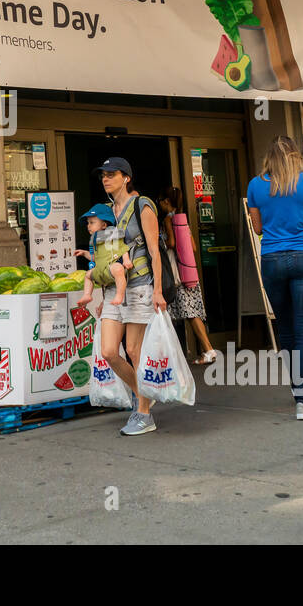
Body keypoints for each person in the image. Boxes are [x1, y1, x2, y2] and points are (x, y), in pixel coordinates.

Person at [247, 136, 303, 420]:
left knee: (286, 328)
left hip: (272, 259)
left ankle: (297, 390)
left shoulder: (255, 185)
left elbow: (257, 228)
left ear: (269, 158)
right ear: (296, 155)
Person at [93, 157, 166, 436]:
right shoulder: (109, 211)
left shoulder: (142, 205)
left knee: (134, 350)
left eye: (111, 174)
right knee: (109, 351)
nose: (106, 178)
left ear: (126, 177)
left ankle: (144, 413)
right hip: (113, 289)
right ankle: (143, 392)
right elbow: (107, 254)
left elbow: (154, 250)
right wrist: (101, 295)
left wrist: (158, 290)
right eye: (103, 175)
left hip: (140, 286)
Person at [158, 187, 218, 365]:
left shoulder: (169, 220)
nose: (160, 205)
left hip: (177, 272)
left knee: (189, 313)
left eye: (161, 201)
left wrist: (161, 242)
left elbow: (171, 243)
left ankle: (208, 350)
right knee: (192, 312)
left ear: (166, 201)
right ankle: (207, 349)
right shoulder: (182, 219)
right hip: (188, 270)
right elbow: (192, 247)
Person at [74, 203, 133, 307]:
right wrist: (84, 253)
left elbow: (122, 248)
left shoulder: (112, 235)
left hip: (111, 267)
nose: (88, 226)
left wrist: (126, 260)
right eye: (88, 223)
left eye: (92, 222)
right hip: (100, 270)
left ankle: (120, 294)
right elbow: (94, 258)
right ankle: (87, 295)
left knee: (118, 269)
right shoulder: (94, 240)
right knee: (87, 275)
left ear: (104, 225)